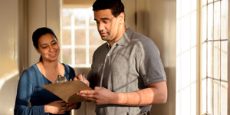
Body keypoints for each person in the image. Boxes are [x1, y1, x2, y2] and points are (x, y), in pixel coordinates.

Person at [75, 0, 168, 115]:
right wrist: (83, 85)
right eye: (97, 22)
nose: (100, 27)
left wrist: (114, 98)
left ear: (120, 18)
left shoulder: (143, 46)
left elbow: (161, 94)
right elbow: (93, 93)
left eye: (105, 21)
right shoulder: (98, 53)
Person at [14, 27, 80, 115]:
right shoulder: (29, 75)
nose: (52, 49)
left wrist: (75, 104)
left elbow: (76, 101)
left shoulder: (69, 71)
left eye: (54, 43)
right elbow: (19, 111)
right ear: (37, 49)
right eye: (45, 46)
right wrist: (46, 108)